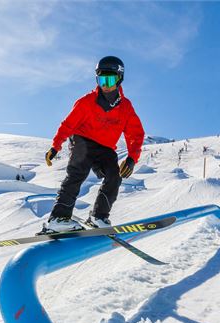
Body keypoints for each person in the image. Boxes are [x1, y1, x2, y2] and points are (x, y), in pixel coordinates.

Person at [43, 56, 144, 232]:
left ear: (119, 79)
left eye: (109, 79)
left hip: (105, 148)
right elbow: (68, 125)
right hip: (83, 140)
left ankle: (99, 216)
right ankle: (59, 218)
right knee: (77, 172)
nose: (105, 84)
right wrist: (55, 146)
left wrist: (131, 158)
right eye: (101, 79)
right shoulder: (87, 102)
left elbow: (135, 134)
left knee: (114, 174)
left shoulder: (126, 107)